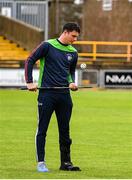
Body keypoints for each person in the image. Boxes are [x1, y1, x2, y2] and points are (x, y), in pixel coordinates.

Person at [25, 22, 81, 172]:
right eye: (73, 36)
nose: (75, 40)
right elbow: (30, 60)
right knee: (42, 129)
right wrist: (29, 82)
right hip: (46, 95)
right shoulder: (47, 45)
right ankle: (41, 163)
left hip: (64, 96)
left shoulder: (73, 53)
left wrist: (71, 83)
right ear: (66, 32)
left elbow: (71, 72)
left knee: (65, 130)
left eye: (77, 37)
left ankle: (66, 163)